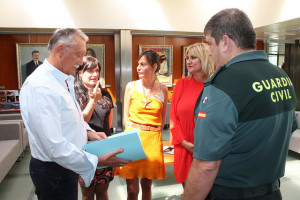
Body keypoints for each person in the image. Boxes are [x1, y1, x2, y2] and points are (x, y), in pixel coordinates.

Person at [183, 8, 298, 200]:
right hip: (273, 192)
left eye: (210, 44)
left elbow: (206, 165)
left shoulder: (223, 86)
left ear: (226, 42)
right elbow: (287, 130)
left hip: (231, 193)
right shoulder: (281, 76)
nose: (209, 52)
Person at [20, 28, 130, 200]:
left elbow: (70, 117)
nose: (81, 61)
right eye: (78, 55)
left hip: (67, 164)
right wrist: (98, 160)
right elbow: (54, 146)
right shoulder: (41, 86)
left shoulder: (62, 79)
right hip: (53, 170)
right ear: (60, 50)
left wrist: (88, 132)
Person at [115, 49, 168, 200]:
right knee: (132, 190)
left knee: (147, 186)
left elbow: (162, 119)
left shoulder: (163, 89)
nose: (138, 67)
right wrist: (130, 137)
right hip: (133, 138)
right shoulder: (131, 86)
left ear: (154, 67)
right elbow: (125, 117)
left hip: (152, 140)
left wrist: (153, 133)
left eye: (143, 64)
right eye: (138, 64)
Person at [170, 43, 214, 187]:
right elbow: (173, 118)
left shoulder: (214, 86)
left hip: (207, 147)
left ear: (205, 58)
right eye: (187, 58)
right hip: (184, 146)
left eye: (193, 57)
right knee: (188, 191)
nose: (188, 61)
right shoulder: (182, 84)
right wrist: (183, 142)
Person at [74, 56, 114, 200]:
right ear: (79, 73)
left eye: (97, 70)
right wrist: (92, 101)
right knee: (87, 194)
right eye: (89, 70)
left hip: (104, 149)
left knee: (103, 192)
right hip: (84, 151)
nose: (95, 74)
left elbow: (108, 123)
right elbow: (79, 123)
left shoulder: (105, 93)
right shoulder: (74, 95)